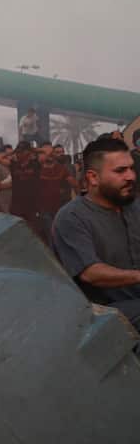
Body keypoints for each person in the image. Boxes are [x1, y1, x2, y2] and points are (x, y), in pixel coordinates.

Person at [51, 137, 140, 328]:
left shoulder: (135, 207)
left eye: (131, 168)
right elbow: (91, 273)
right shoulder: (71, 217)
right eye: (120, 171)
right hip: (100, 315)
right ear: (93, 178)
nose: (131, 176)